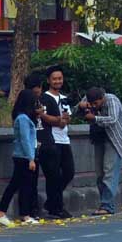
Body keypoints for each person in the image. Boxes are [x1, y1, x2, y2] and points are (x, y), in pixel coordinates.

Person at [79, 87, 122, 215]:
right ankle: (106, 204)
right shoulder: (88, 99)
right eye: (92, 104)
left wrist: (95, 118)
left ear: (102, 98)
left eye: (96, 103)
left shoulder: (112, 100)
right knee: (100, 173)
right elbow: (77, 110)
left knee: (109, 171)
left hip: (114, 139)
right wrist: (81, 106)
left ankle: (106, 205)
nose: (94, 106)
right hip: (99, 138)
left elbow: (112, 119)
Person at [0, 89, 40, 227]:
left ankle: (6, 213)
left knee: (18, 185)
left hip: (22, 155)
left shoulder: (22, 118)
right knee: (21, 186)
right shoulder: (23, 119)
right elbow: (25, 139)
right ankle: (18, 215)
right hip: (23, 157)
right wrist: (31, 158)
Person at [38, 66, 74, 219]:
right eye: (55, 79)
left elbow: (68, 118)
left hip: (64, 140)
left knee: (68, 172)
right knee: (53, 175)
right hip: (51, 141)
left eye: (60, 78)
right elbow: (45, 118)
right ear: (49, 81)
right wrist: (60, 120)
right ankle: (56, 207)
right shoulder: (44, 98)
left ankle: (52, 202)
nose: (58, 81)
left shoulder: (64, 98)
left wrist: (62, 120)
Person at [23, 72, 46, 219]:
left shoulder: (39, 101)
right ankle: (28, 212)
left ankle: (33, 210)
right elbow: (25, 135)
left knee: (33, 182)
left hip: (37, 146)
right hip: (28, 150)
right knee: (27, 182)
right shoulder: (25, 107)